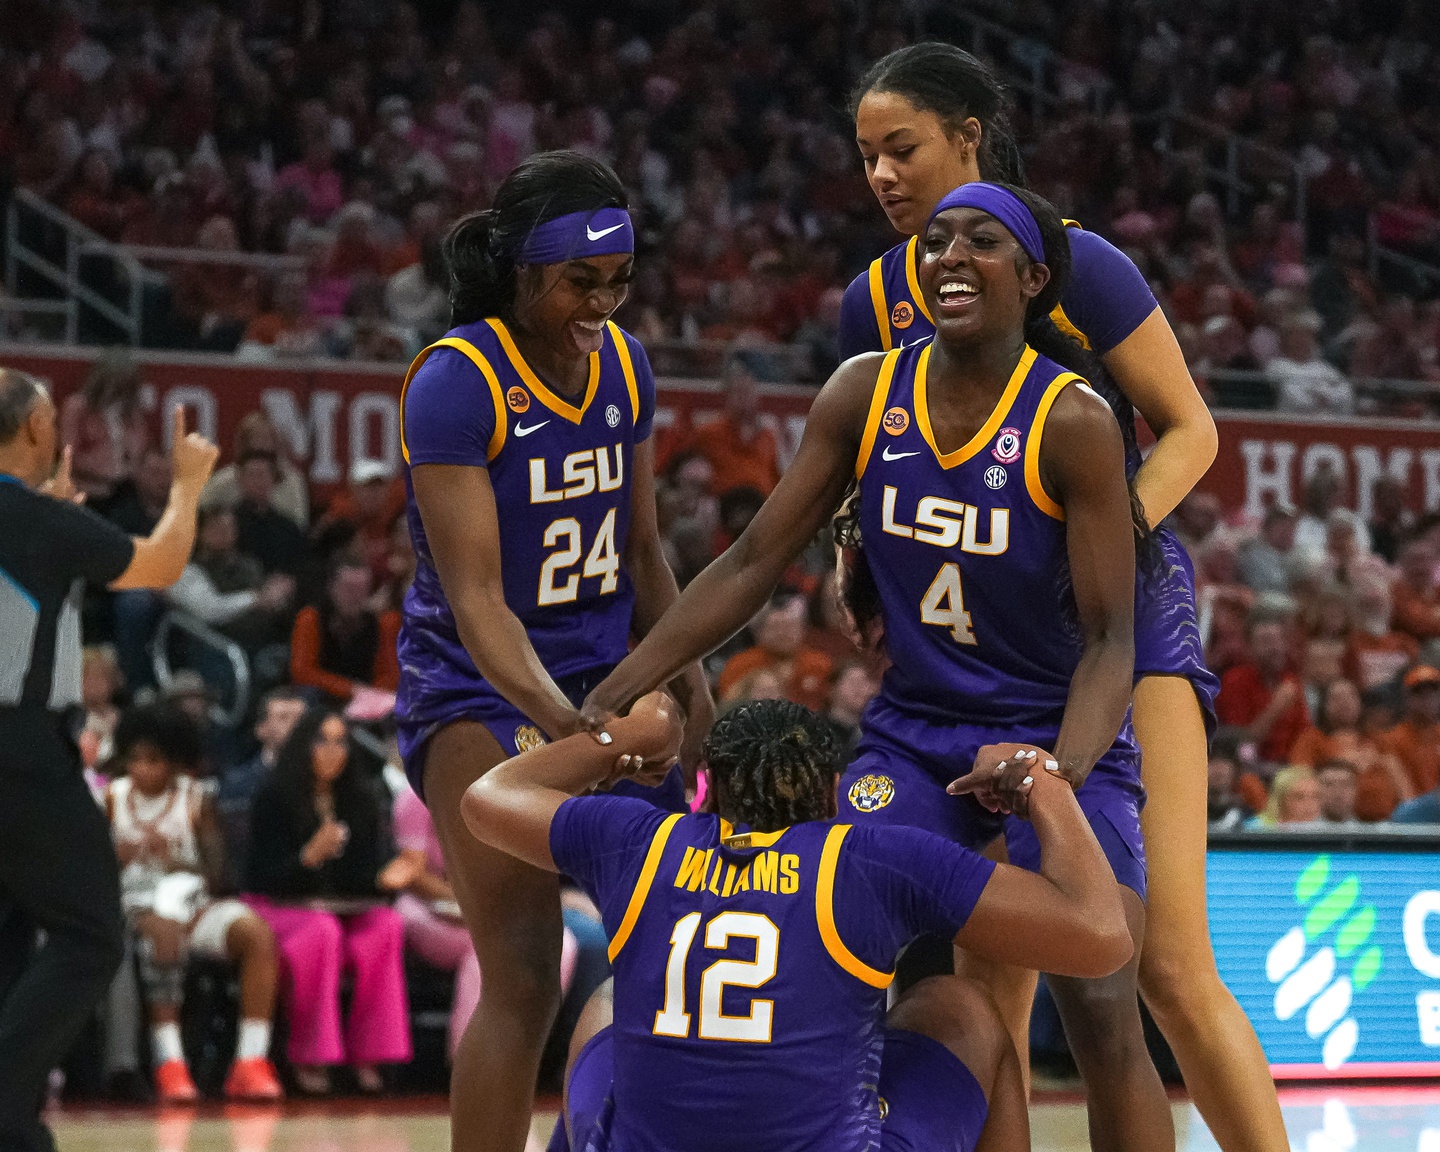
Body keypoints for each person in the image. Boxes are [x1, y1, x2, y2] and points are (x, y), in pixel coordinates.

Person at [582, 183, 1173, 1150]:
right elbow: (751, 561)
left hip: (1054, 732)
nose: (948, 256)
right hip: (915, 734)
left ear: (1032, 278)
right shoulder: (864, 389)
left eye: (980, 243)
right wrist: (623, 680)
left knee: (1104, 1004)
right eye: (936, 241)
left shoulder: (1072, 423)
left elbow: (1113, 642)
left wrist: (1050, 779)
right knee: (830, 930)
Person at [831, 42, 1285, 1152]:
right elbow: (869, 471)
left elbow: (1191, 429)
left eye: (905, 149)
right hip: (966, 648)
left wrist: (1083, 537)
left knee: (1162, 966)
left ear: (969, 137)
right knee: (991, 979)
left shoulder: (1080, 265)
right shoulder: (867, 305)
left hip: (1111, 625)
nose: (884, 176)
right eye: (867, 158)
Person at [394, 151, 713, 1152]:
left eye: (619, 281)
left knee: (670, 948)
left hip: (606, 673)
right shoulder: (454, 380)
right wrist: (566, 722)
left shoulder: (624, 362)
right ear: (522, 272)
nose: (604, 303)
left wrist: (693, 683)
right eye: (582, 281)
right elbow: (479, 601)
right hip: (474, 685)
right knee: (526, 964)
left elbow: (645, 548)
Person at [464, 694, 1132, 1152]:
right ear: (836, 792)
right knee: (964, 1008)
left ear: (711, 789)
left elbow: (488, 796)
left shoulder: (638, 841)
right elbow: (1101, 937)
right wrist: (1044, 780)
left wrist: (630, 737)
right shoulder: (870, 860)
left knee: (604, 1011)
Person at [0, 373, 217, 1152]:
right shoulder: (32, 521)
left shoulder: (39, 528)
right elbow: (159, 564)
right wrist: (188, 486)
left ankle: (17, 1129)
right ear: (32, 429)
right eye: (53, 420)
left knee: (14, 934)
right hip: (19, 754)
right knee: (93, 934)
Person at [105, 704, 282, 1102]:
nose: (141, 769)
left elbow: (220, 875)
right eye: (134, 758)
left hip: (192, 901)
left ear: (175, 761)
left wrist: (177, 860)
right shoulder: (112, 798)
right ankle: (171, 1064)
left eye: (153, 759)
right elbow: (90, 875)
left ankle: (250, 1061)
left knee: (255, 934)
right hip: (132, 907)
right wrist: (117, 854)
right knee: (162, 937)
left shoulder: (196, 800)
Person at [244, 708, 414, 1095]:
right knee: (321, 933)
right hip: (277, 906)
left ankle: (370, 1054)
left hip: (340, 910)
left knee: (386, 925)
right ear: (304, 745)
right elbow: (260, 877)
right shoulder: (274, 795)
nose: (333, 751)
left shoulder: (361, 799)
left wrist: (386, 879)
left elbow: (361, 880)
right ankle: (310, 1055)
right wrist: (309, 857)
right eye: (323, 740)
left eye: (341, 742)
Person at [288, 559, 400, 704]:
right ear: (331, 587)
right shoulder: (310, 619)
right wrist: (352, 690)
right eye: (349, 589)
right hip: (320, 701)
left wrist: (371, 696)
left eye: (362, 590)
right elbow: (301, 672)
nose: (355, 597)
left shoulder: (383, 625)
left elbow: (391, 676)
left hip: (366, 704)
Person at [1217, 612, 1311, 765]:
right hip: (1249, 765)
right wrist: (1276, 707)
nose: (1275, 648)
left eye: (1279, 640)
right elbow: (1240, 743)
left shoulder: (1291, 681)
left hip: (1290, 765)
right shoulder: (1234, 680)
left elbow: (1304, 733)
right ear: (1249, 647)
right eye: (1266, 641)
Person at [716, 594, 835, 711]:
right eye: (775, 627)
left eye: (789, 627)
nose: (783, 633)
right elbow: (728, 707)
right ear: (758, 632)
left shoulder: (820, 664)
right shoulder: (741, 665)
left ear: (803, 630)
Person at [1378, 664, 1440, 800]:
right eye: (1420, 694)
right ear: (1407, 699)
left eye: (1432, 693)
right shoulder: (1392, 739)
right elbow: (1404, 793)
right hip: (1410, 815)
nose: (1427, 700)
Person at [1247, 766, 1322, 828]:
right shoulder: (1255, 828)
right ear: (1280, 800)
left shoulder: (1327, 829)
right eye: (1299, 797)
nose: (1309, 804)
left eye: (1316, 797)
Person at [1315, 759, 1361, 825]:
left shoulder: (1371, 831)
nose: (1337, 791)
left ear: (1355, 789)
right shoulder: (1303, 830)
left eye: (1345, 784)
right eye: (1329, 784)